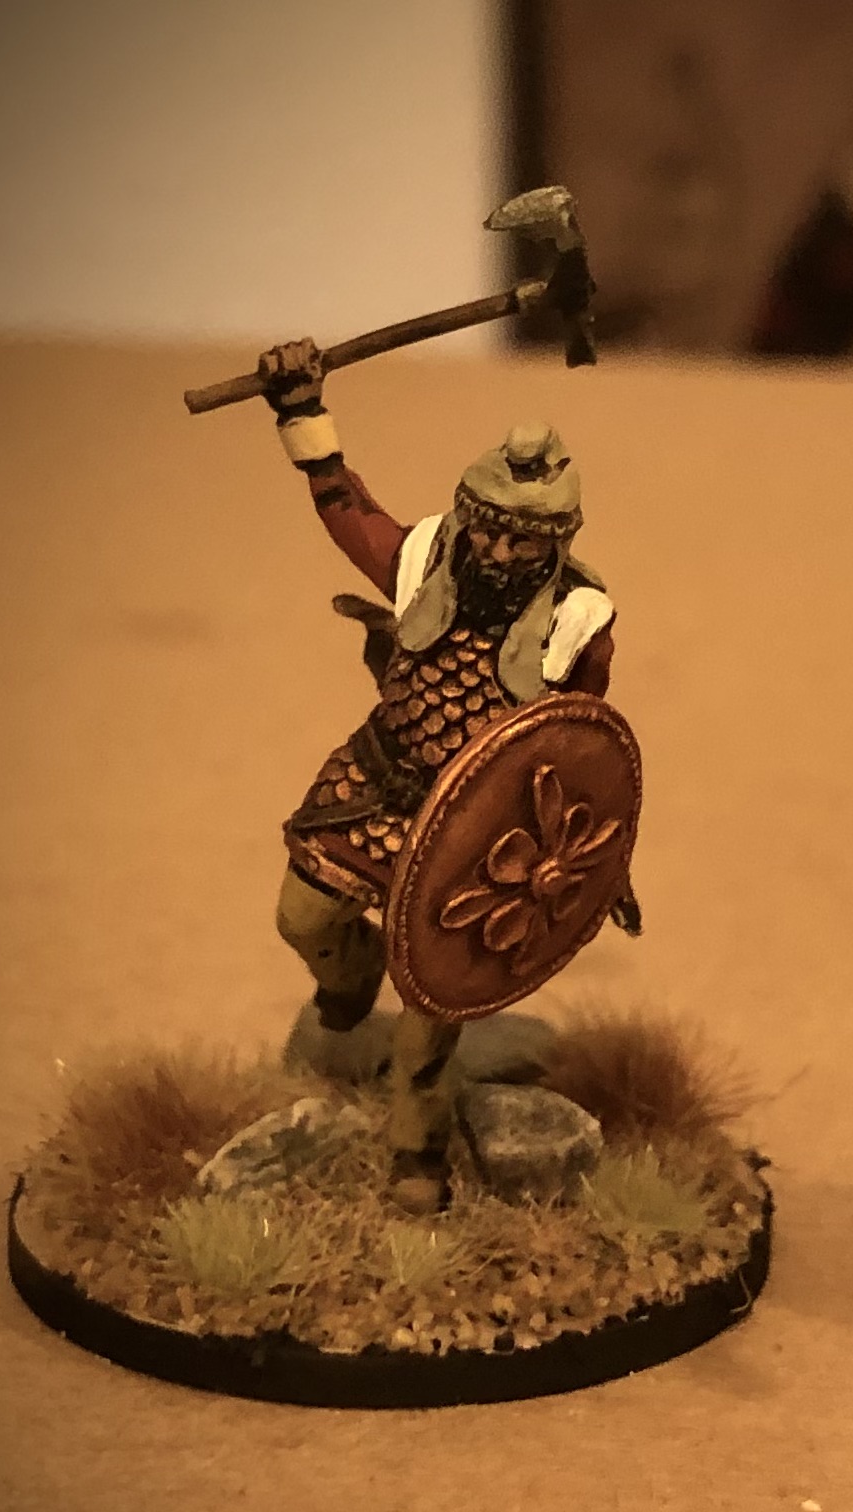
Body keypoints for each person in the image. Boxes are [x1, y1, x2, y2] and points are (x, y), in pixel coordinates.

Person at [255, 339, 633, 1212]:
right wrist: (300, 410)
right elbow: (346, 505)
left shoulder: (578, 623)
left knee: (431, 1007)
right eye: (488, 527)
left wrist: (593, 855)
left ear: (553, 543)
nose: (497, 549)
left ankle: (415, 1152)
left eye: (520, 538)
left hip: (474, 837)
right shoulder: (423, 561)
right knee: (302, 916)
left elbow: (580, 749)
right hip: (376, 779)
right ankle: (348, 983)